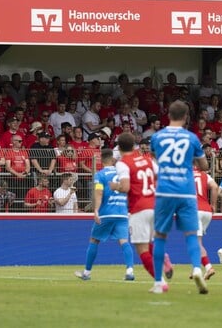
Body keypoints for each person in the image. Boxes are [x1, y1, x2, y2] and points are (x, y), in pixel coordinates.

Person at [149, 100, 209, 294]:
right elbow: (204, 165)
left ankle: (158, 282)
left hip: (165, 189)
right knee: (191, 234)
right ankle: (197, 269)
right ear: (185, 117)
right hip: (186, 191)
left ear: (168, 115)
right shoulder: (191, 138)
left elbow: (155, 159)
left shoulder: (156, 137)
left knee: (159, 236)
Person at [114, 132, 174, 282]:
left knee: (142, 249)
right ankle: (164, 258)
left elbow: (125, 187)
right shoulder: (147, 159)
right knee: (148, 242)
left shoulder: (123, 163)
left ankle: (159, 282)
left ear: (119, 148)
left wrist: (115, 186)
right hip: (155, 205)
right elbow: (160, 176)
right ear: (134, 145)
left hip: (139, 208)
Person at [74, 149, 135, 282]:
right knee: (124, 241)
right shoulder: (122, 174)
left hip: (107, 213)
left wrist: (96, 210)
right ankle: (130, 271)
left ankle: (87, 272)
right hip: (122, 213)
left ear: (101, 160)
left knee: (94, 240)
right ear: (113, 160)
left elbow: (99, 193)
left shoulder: (100, 175)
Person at [192, 164, 218, 279]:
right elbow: (215, 187)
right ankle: (196, 268)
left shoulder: (185, 174)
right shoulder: (204, 175)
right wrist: (213, 204)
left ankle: (208, 267)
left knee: (196, 242)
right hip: (206, 211)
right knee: (197, 241)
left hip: (194, 210)